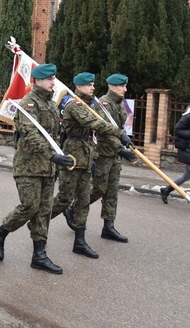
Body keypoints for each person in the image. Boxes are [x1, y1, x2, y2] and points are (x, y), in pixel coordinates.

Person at [0, 64, 73, 273]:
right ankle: (0, 232)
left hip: (48, 168)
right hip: (28, 167)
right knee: (30, 207)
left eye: (54, 78)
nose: (53, 82)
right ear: (37, 81)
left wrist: (57, 157)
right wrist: (52, 155)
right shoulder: (28, 105)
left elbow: (53, 137)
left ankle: (39, 255)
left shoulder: (52, 105)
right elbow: (31, 135)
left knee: (44, 211)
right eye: (49, 79)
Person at [50, 72, 131, 259]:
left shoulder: (91, 104)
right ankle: (39, 222)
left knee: (90, 197)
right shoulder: (76, 105)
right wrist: (120, 139)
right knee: (65, 197)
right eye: (89, 85)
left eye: (93, 84)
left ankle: (81, 240)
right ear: (78, 87)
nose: (93, 87)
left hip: (87, 154)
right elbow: (96, 124)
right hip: (77, 155)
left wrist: (121, 141)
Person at [79, 73, 137, 243]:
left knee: (112, 192)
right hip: (103, 154)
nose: (125, 89)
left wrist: (126, 140)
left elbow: (118, 128)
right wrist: (121, 149)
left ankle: (108, 227)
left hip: (115, 156)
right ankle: (75, 208)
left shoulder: (120, 105)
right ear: (112, 86)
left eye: (125, 86)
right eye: (121, 86)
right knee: (99, 190)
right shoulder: (103, 104)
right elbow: (104, 133)